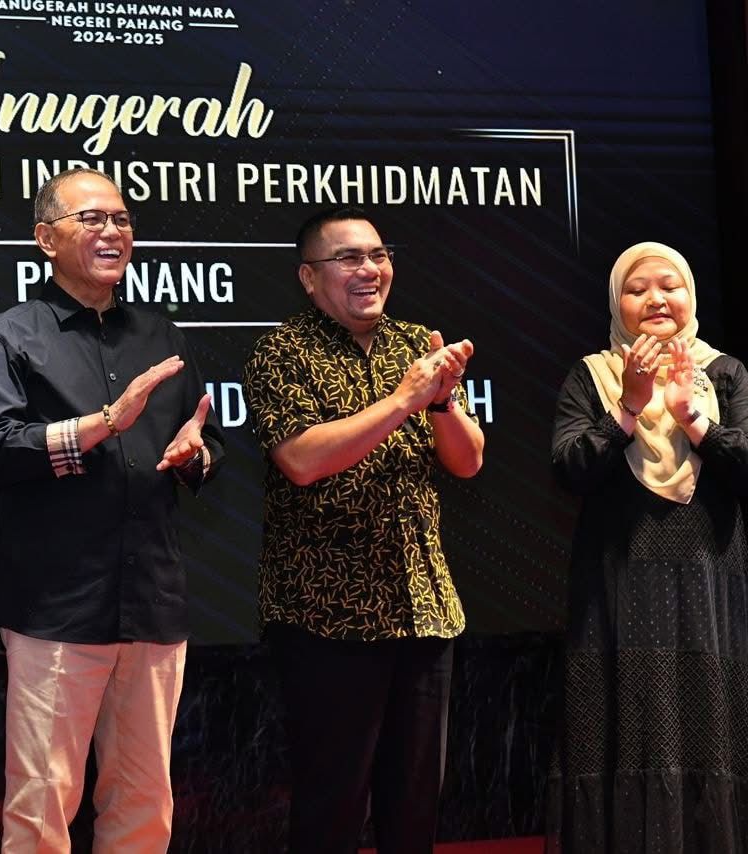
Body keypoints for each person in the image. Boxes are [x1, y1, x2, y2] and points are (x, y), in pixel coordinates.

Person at [0, 167, 225, 853]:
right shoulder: (9, 337)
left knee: (145, 803)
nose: (113, 231)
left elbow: (207, 445)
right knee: (41, 808)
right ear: (45, 238)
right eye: (92, 219)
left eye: (122, 219)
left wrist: (195, 455)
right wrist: (103, 424)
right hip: (55, 607)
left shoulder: (163, 336)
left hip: (152, 602)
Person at [242, 206, 484, 853]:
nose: (370, 269)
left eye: (379, 255)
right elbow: (301, 460)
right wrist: (404, 400)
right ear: (309, 277)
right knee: (333, 806)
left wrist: (440, 401)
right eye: (349, 258)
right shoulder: (282, 353)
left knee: (416, 806)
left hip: (423, 608)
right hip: (326, 616)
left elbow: (467, 461)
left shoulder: (415, 345)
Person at [545, 242, 748, 853]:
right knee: (627, 719)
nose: (656, 299)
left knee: (709, 718)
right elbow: (570, 469)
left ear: (690, 295)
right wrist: (629, 405)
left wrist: (692, 417)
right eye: (637, 290)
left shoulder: (725, 373)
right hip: (619, 580)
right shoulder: (592, 375)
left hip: (709, 580)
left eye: (669, 285)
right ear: (617, 304)